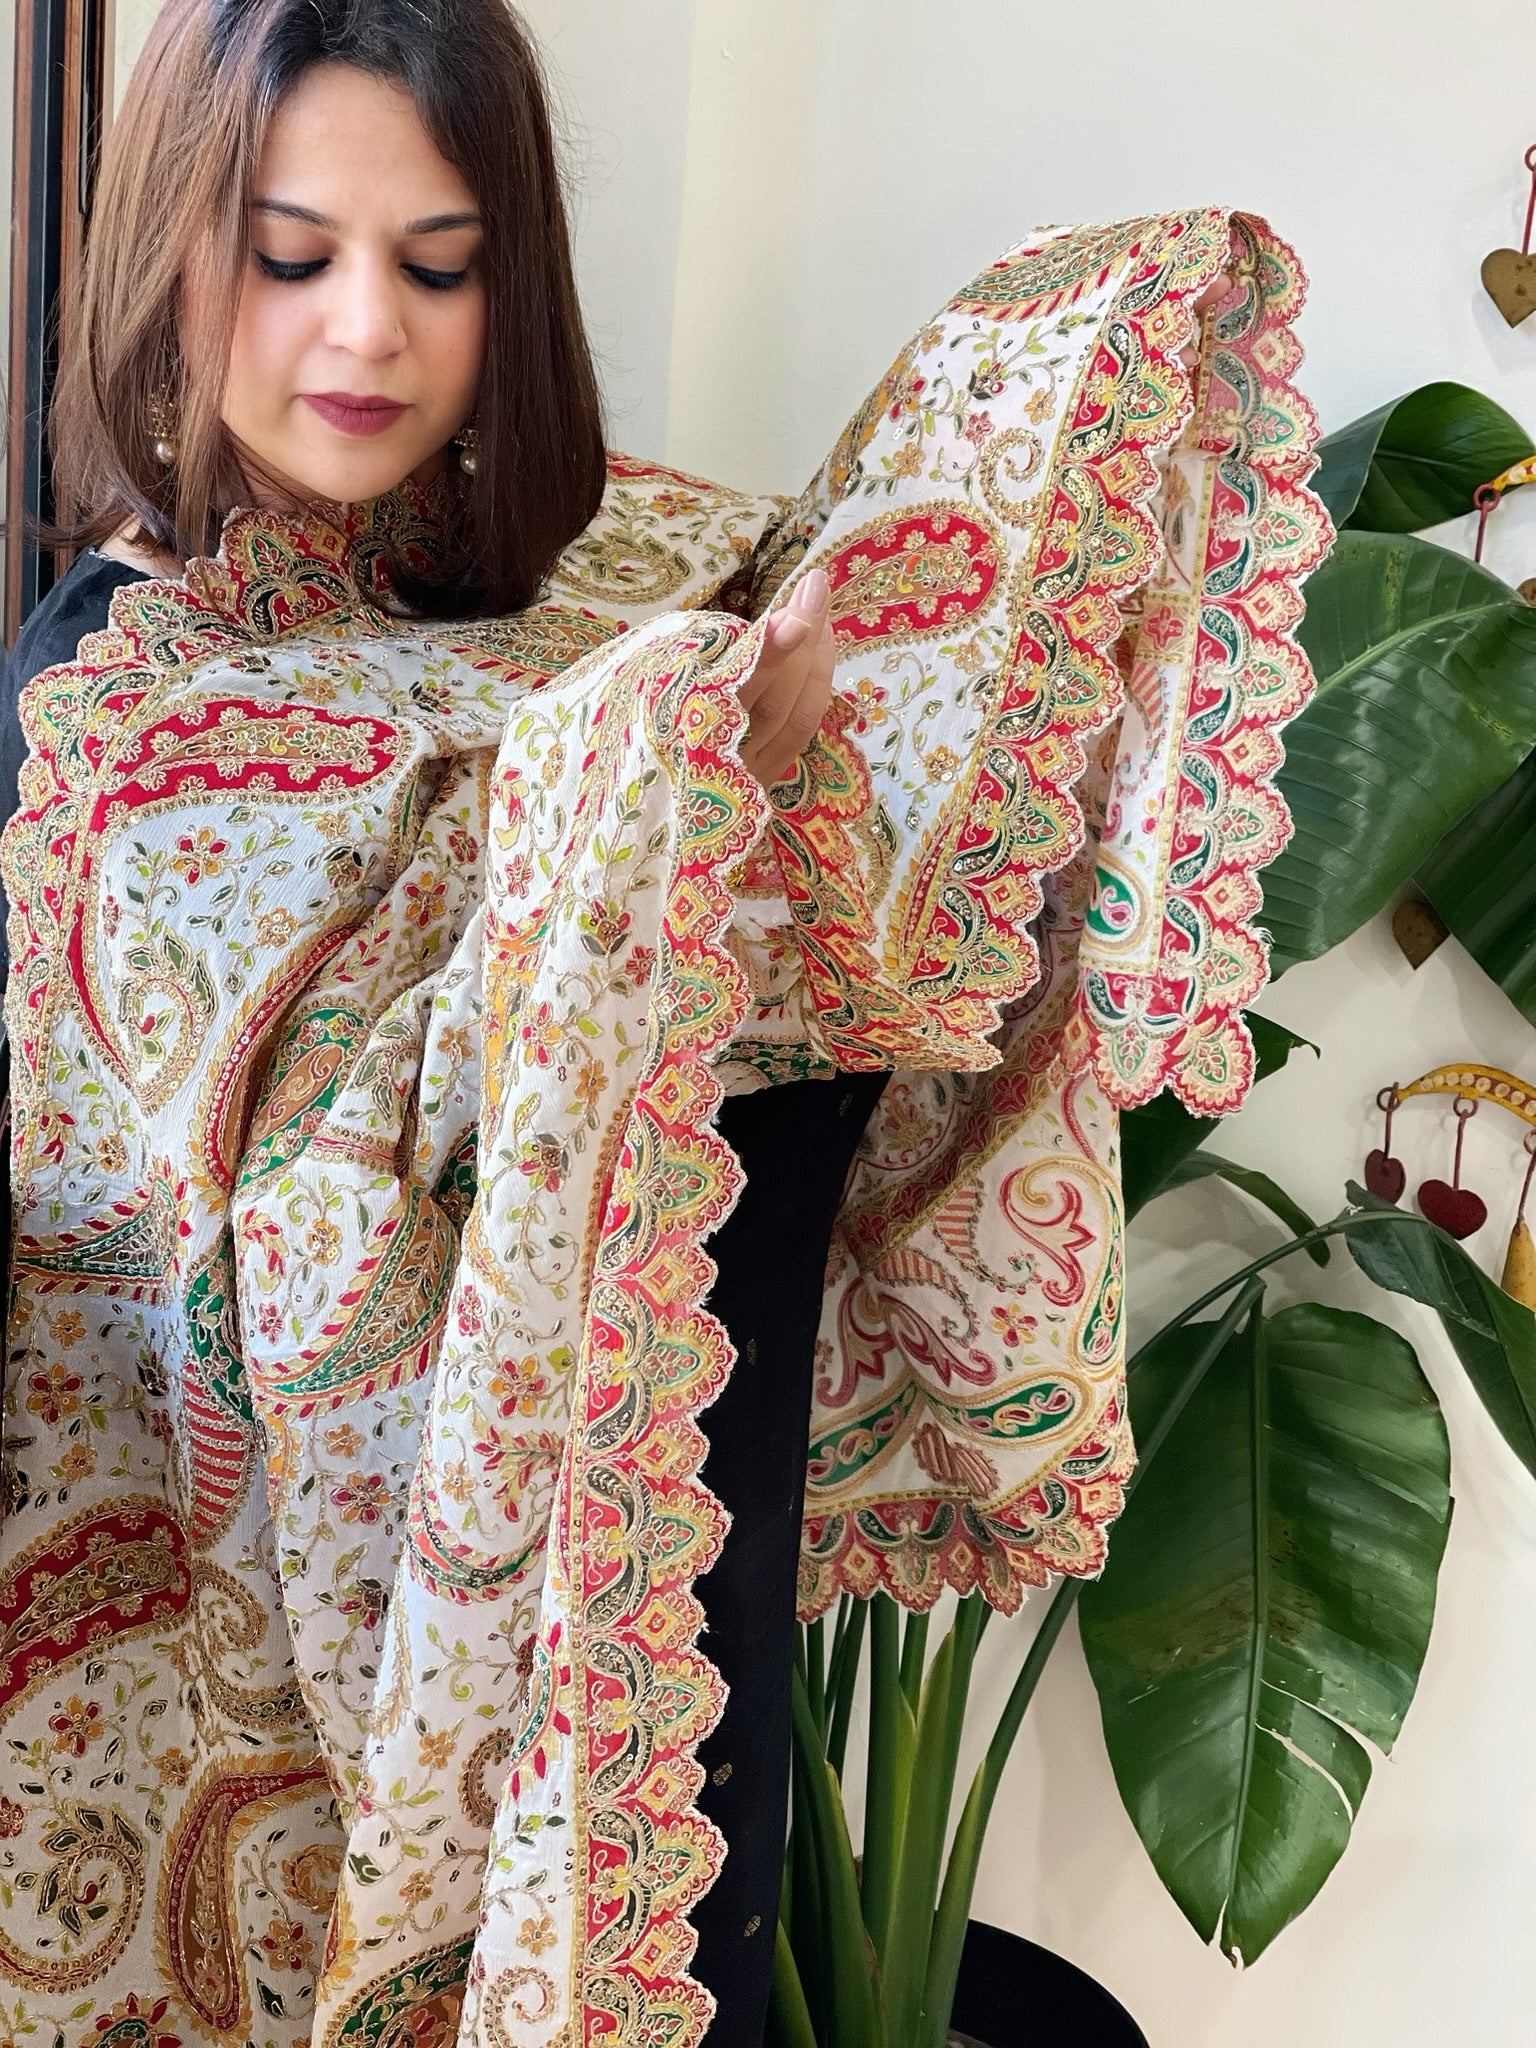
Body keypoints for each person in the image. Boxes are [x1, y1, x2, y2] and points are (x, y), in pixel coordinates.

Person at [0, 3, 1301, 2044]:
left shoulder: (634, 586)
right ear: (167, 246)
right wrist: (650, 815)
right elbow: (256, 1253)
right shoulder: (113, 719)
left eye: (441, 265)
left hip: (684, 1569)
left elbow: (861, 945)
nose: (366, 329)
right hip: (371, 1710)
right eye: (290, 253)